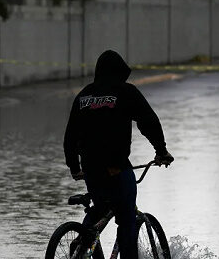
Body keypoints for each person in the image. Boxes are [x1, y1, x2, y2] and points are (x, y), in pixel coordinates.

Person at [63, 50, 174, 259]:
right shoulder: (125, 91)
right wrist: (161, 151)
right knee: (127, 220)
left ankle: (81, 244)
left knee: (101, 206)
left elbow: (70, 135)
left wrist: (74, 167)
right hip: (116, 166)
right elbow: (148, 121)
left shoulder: (84, 95)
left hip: (90, 167)